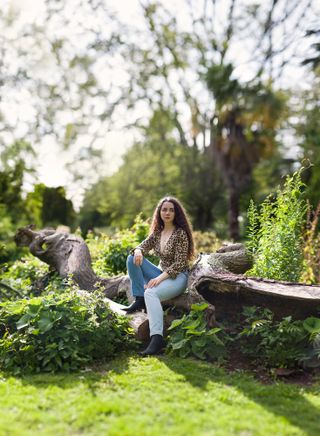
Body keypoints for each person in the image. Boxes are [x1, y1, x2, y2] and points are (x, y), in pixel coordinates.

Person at [124, 196, 195, 356]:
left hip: (178, 277)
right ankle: (139, 299)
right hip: (162, 273)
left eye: (171, 210)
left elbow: (179, 264)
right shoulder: (157, 232)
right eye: (164, 209)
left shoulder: (180, 234)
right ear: (159, 212)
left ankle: (156, 339)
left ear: (176, 213)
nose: (167, 212)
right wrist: (138, 251)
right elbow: (141, 246)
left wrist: (158, 279)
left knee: (151, 292)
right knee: (131, 258)